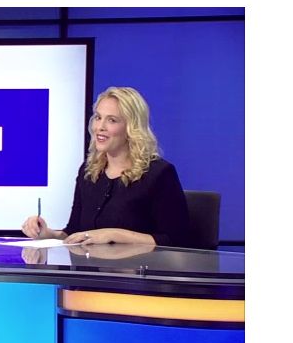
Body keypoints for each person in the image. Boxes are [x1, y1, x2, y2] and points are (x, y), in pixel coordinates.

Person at [21, 86, 190, 247]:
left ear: (131, 128)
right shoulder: (89, 172)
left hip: (140, 267)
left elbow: (177, 241)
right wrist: (46, 233)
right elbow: (74, 232)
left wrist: (113, 235)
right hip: (89, 266)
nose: (100, 127)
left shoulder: (159, 173)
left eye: (112, 120)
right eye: (98, 117)